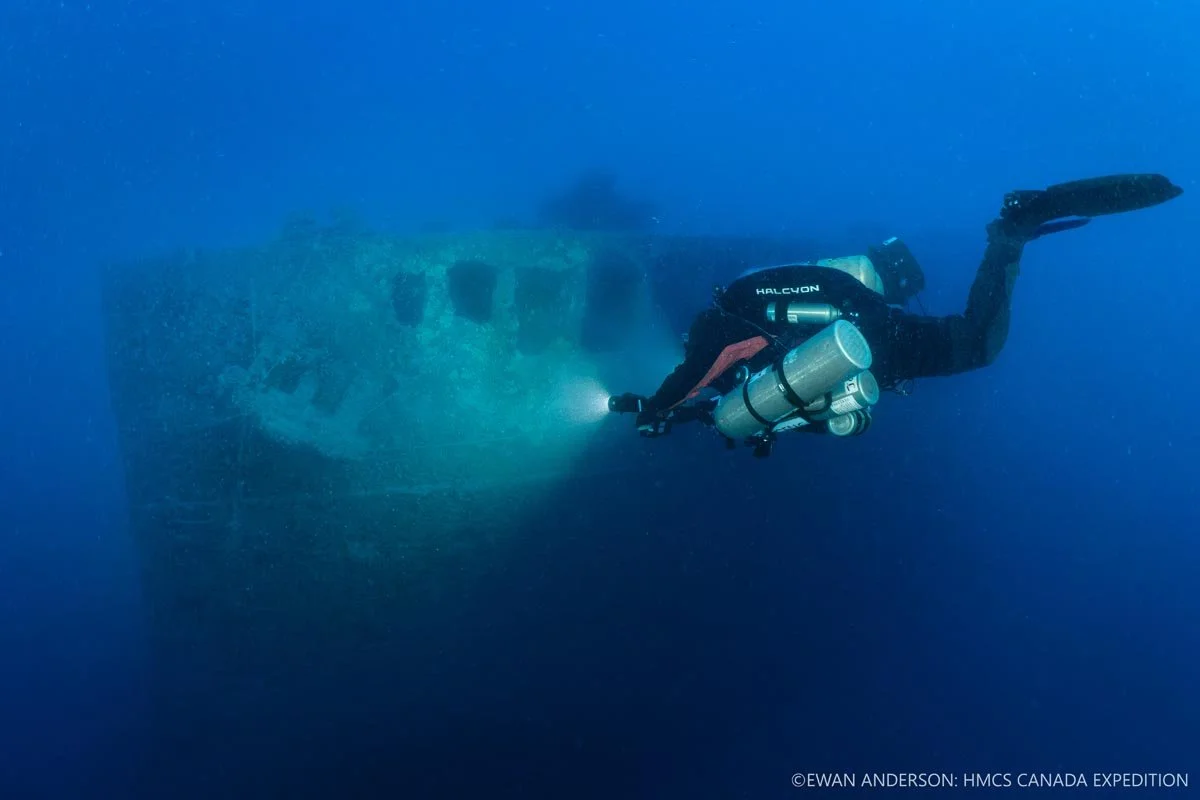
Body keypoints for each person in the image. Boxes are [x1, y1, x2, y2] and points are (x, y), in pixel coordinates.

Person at [609, 173, 1183, 455]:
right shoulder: (741, 326)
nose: (695, 348)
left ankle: (1010, 232)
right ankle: (1011, 236)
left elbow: (695, 374)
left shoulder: (730, 313)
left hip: (870, 335)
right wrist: (667, 412)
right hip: (866, 349)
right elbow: (713, 392)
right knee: (972, 345)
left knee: (976, 346)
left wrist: (657, 405)